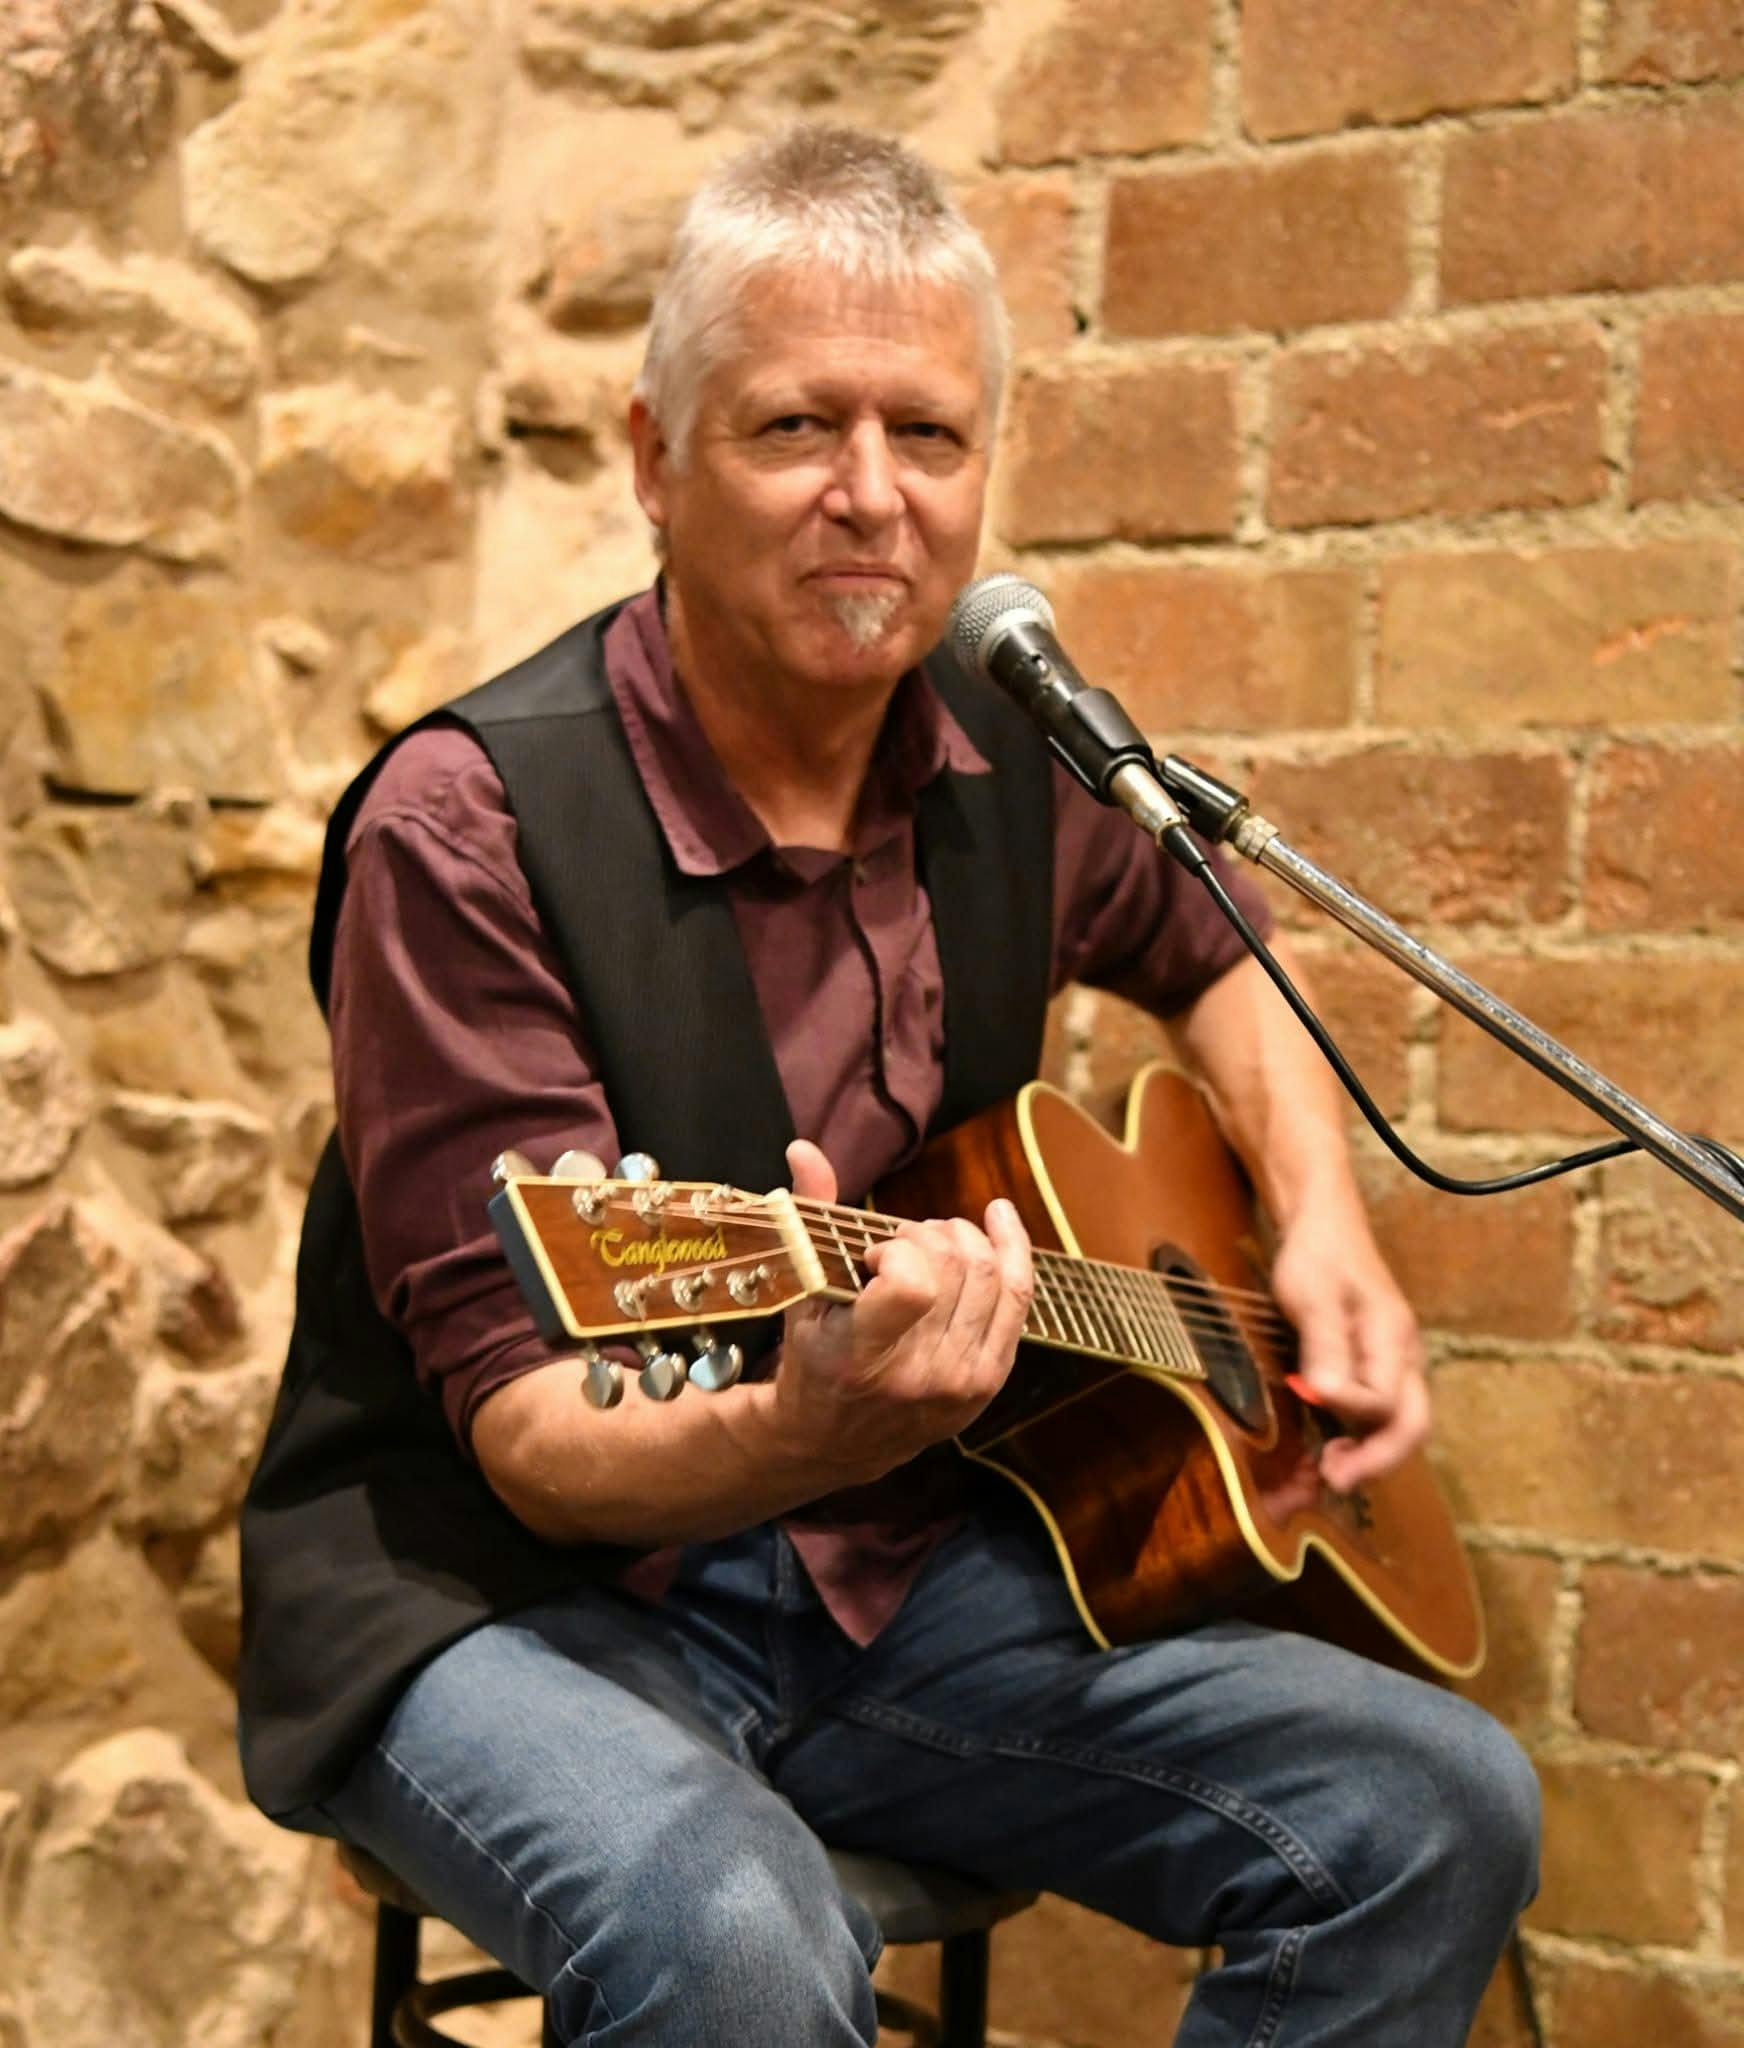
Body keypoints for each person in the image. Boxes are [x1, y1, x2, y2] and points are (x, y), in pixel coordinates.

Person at [238, 124, 1539, 2046]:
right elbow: (529, 1425)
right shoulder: (471, 823)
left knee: (1435, 1808)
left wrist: (1328, 1226)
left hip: (892, 1571)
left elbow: (1230, 958)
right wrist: (801, 1436)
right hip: (501, 1589)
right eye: (793, 431)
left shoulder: (1017, 764)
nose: (873, 498)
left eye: (927, 437)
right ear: (655, 462)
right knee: (744, 1942)